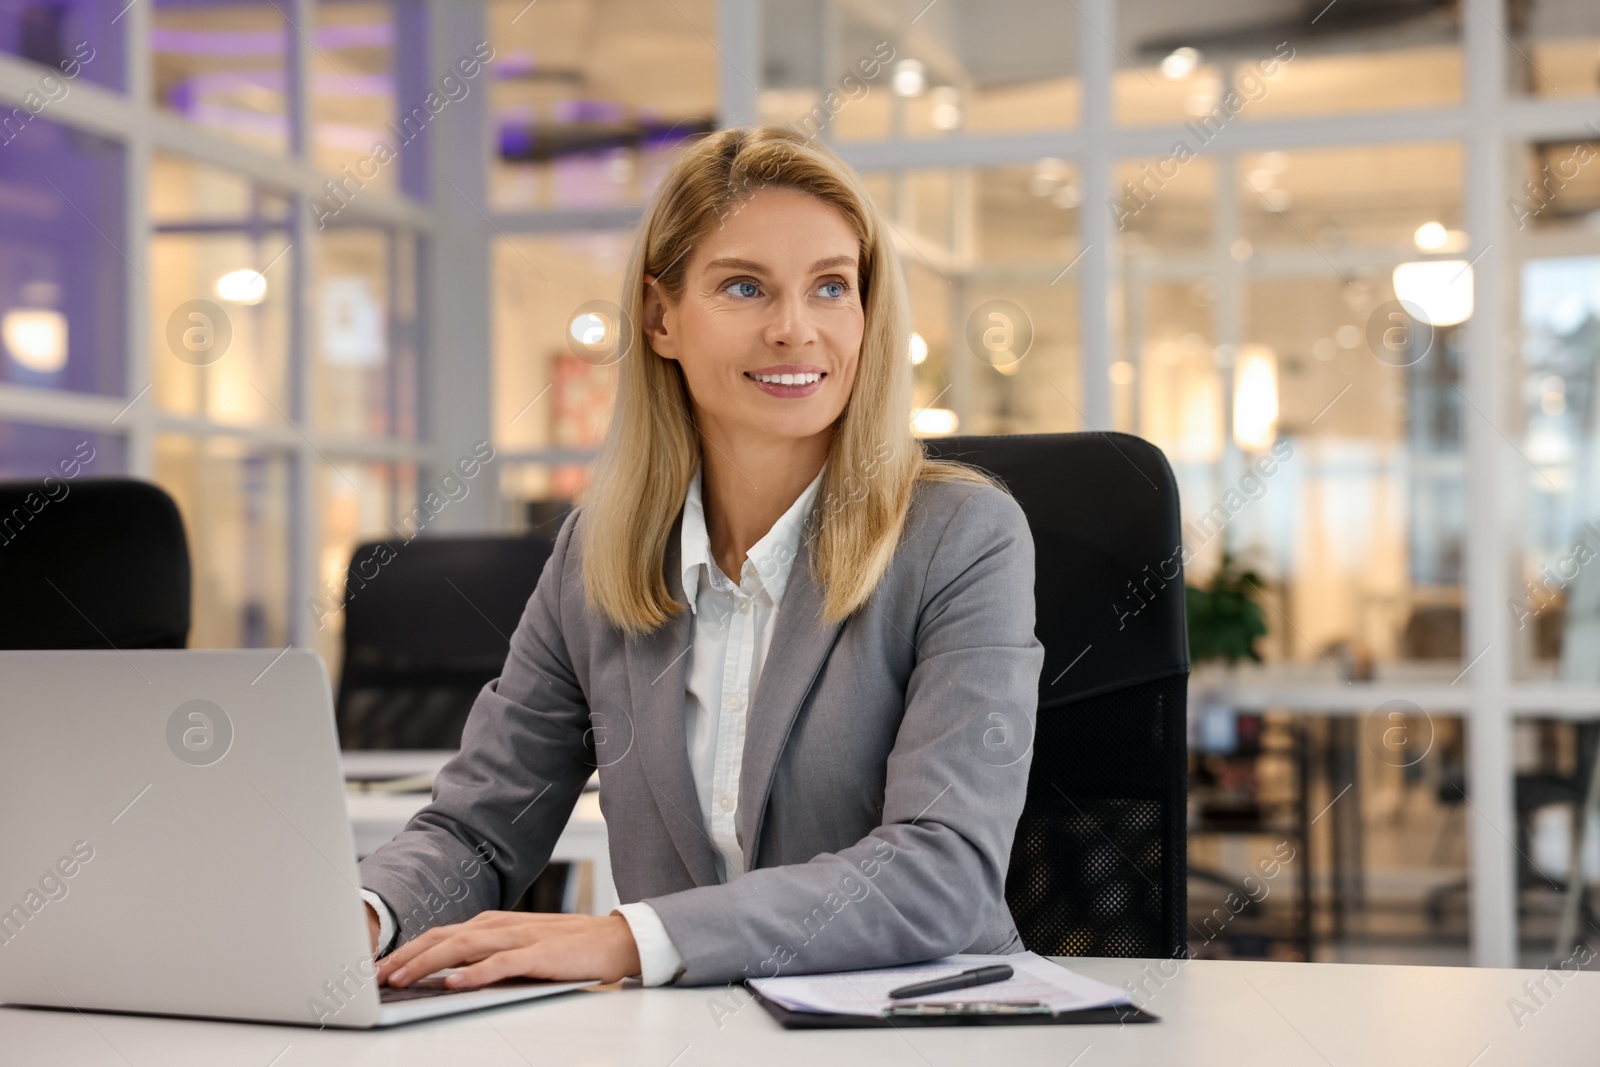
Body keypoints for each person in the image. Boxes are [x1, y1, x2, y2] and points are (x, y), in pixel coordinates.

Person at [361, 124, 1045, 990]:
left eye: (832, 286)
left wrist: (627, 938)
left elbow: (941, 870)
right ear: (660, 318)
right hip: (688, 1037)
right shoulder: (597, 555)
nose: (796, 329)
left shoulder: (961, 538)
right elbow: (479, 829)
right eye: (745, 287)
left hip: (916, 1029)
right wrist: (360, 911)